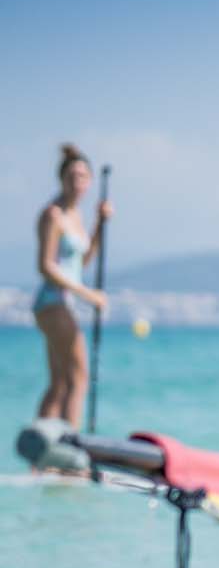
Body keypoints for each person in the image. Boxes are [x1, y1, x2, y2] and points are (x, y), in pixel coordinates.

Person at [33, 144, 111, 429]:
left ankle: (41, 454)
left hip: (63, 304)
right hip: (53, 302)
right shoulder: (53, 215)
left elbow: (83, 261)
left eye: (82, 176)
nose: (77, 181)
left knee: (59, 383)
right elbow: (46, 266)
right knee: (78, 378)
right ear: (61, 178)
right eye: (72, 175)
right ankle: (69, 452)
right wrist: (88, 294)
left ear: (90, 182)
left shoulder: (77, 217)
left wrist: (100, 225)